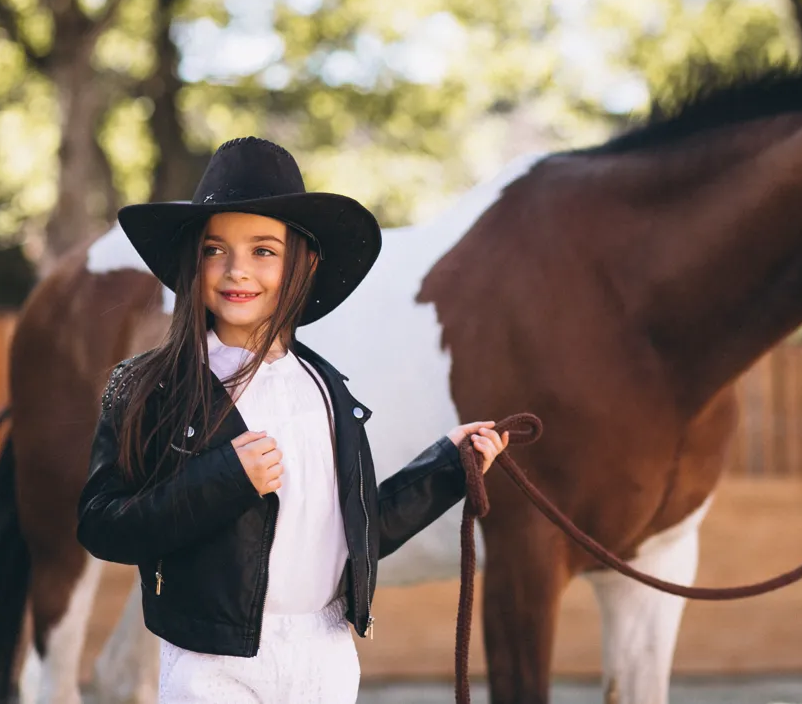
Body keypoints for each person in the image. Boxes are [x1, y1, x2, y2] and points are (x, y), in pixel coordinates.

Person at [76, 136, 508, 703]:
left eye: (263, 251)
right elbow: (101, 525)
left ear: (303, 263)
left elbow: (358, 533)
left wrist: (448, 467)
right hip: (211, 664)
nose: (237, 271)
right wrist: (224, 480)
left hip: (325, 655)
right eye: (214, 249)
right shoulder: (147, 388)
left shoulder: (328, 391)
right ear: (192, 260)